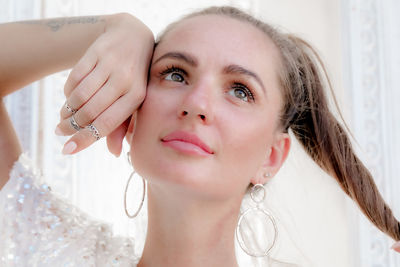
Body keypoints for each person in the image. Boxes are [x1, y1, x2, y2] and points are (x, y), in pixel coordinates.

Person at [0, 5, 399, 267]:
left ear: (271, 158)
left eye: (240, 90)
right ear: (132, 115)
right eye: (175, 73)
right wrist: (113, 30)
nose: (197, 103)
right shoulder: (54, 251)